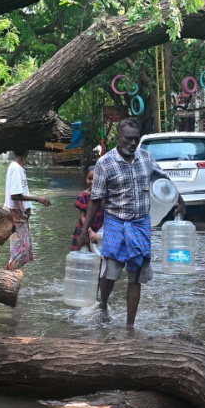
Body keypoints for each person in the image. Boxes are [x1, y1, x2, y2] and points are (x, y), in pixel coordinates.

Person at [80, 117, 184, 326]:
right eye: (128, 139)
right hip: (116, 223)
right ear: (118, 138)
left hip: (140, 224)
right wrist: (85, 230)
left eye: (136, 139)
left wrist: (180, 201)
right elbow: (96, 200)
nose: (133, 143)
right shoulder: (105, 163)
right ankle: (103, 304)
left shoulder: (146, 158)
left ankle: (130, 327)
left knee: (135, 276)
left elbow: (164, 180)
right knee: (111, 272)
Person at [4, 149, 51, 271]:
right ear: (27, 152)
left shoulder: (18, 168)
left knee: (23, 249)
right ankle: (7, 279)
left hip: (19, 214)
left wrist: (28, 207)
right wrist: (38, 199)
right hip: (15, 214)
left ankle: (8, 277)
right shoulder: (16, 169)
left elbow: (23, 190)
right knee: (19, 251)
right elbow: (14, 195)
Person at [71, 166, 105, 251]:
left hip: (100, 230)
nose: (92, 182)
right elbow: (83, 217)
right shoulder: (83, 197)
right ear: (85, 179)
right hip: (85, 230)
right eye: (90, 179)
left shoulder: (105, 195)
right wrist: (89, 231)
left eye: (95, 179)